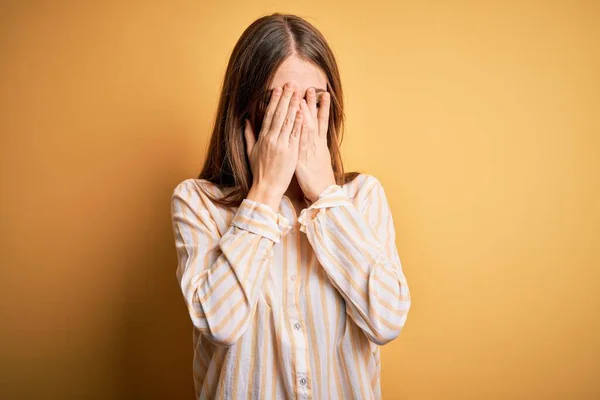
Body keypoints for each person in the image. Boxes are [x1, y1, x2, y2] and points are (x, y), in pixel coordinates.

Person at [170, 12, 411, 399]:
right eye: (278, 101)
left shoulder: (362, 198)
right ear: (246, 110)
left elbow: (386, 320)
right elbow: (220, 323)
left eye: (311, 100)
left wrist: (325, 196)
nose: (297, 117)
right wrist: (265, 190)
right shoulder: (198, 203)